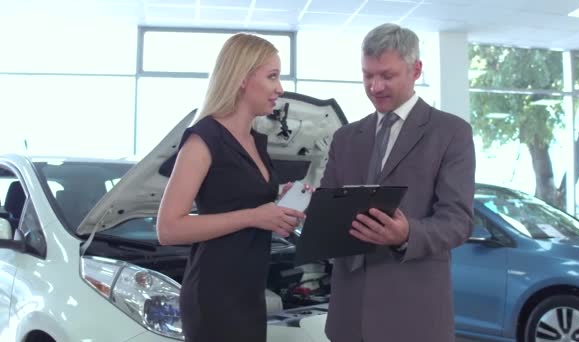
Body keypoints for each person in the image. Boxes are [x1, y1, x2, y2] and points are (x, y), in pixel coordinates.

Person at [321, 23, 476, 341]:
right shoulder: (345, 137)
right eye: (367, 75)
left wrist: (408, 233)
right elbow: (326, 204)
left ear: (416, 70)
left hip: (414, 317)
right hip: (348, 317)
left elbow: (459, 221)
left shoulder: (451, 134)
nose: (375, 86)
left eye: (386, 75)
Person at [156, 33, 306, 342]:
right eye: (272, 76)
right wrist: (254, 216)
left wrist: (278, 198)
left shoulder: (254, 140)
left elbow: (236, 197)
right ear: (241, 78)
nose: (280, 88)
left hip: (249, 291)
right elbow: (168, 228)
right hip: (214, 296)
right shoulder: (203, 138)